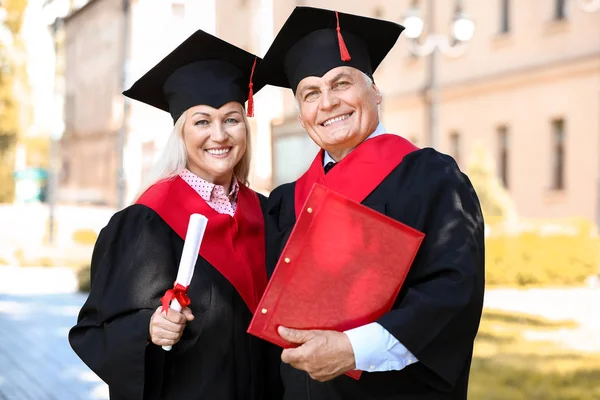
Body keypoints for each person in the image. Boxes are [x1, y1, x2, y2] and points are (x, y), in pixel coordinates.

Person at [257, 6, 485, 399]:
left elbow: (453, 291)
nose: (327, 103)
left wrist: (352, 351)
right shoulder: (286, 202)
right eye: (310, 93)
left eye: (341, 83)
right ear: (302, 113)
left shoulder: (431, 178)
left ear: (375, 91)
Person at [69, 30, 276, 400]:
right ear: (181, 133)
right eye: (202, 121)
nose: (219, 134)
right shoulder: (147, 221)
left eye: (231, 119)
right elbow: (96, 328)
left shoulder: (265, 213)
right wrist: (148, 329)